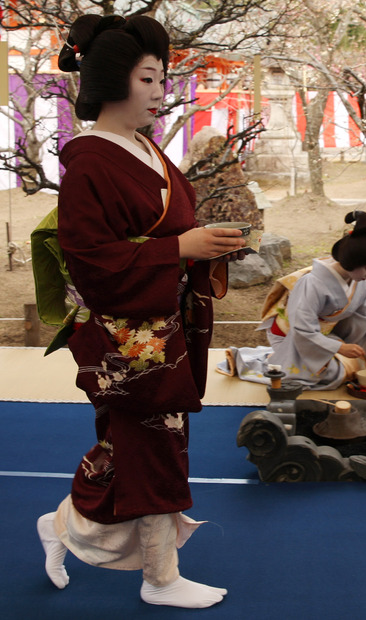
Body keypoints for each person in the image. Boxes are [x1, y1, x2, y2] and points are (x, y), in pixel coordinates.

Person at [35, 14, 246, 608]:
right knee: (150, 443)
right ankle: (159, 577)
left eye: (162, 78)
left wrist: (202, 243)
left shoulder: (142, 148)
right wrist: (180, 248)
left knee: (134, 444)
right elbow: (91, 261)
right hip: (127, 333)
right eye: (150, 78)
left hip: (159, 323)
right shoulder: (92, 163)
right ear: (113, 83)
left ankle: (65, 527)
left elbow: (160, 231)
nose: (161, 91)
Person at [262, 210, 366, 390]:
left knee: (359, 354)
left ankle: (337, 353)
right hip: (292, 335)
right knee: (334, 373)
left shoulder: (359, 280)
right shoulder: (312, 283)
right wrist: (338, 348)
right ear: (351, 261)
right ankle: (277, 359)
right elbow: (301, 328)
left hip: (324, 333)